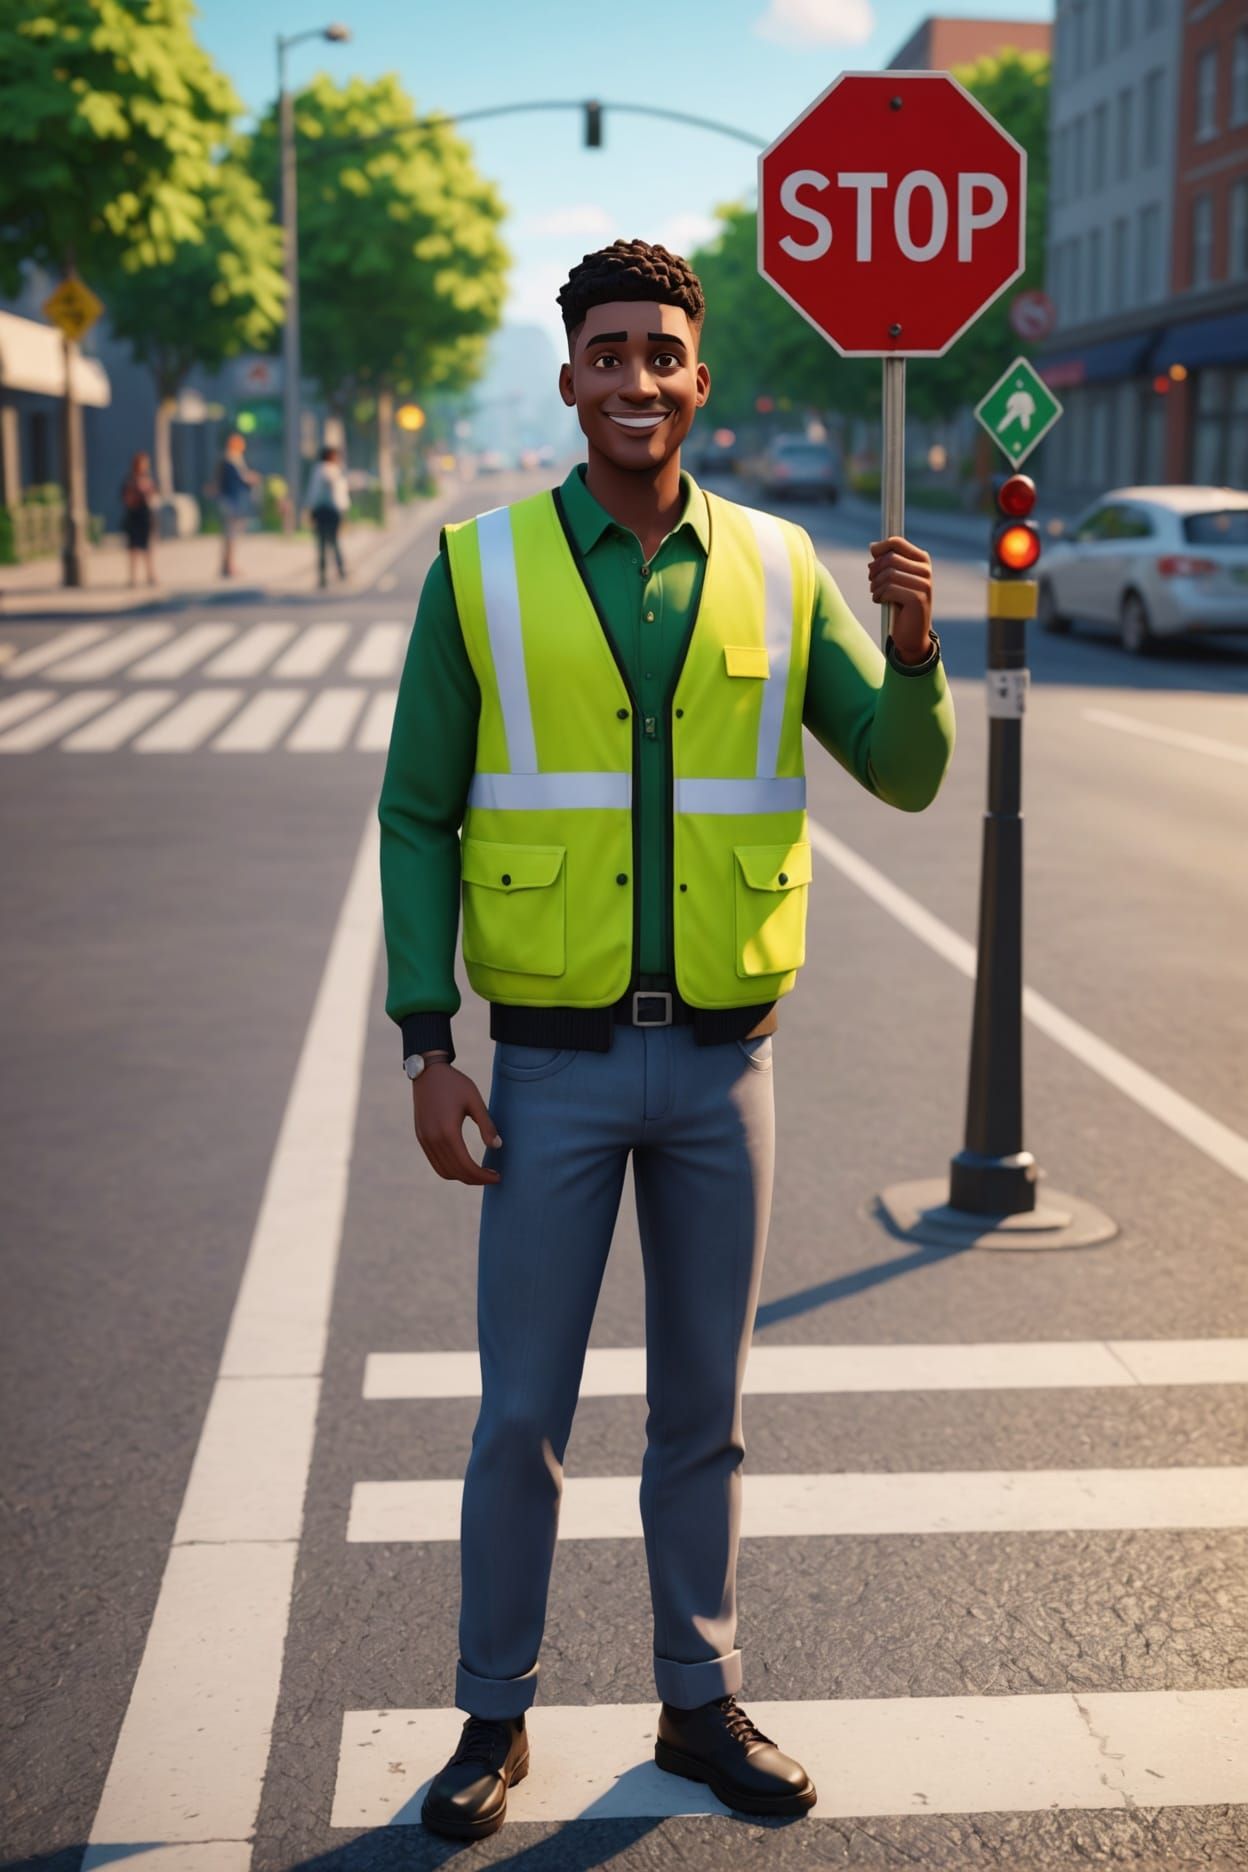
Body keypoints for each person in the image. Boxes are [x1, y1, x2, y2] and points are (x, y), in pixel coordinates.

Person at [378, 239, 956, 1841]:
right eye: (608, 351)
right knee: (521, 1418)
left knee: (708, 1408)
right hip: (550, 1071)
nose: (637, 376)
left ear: (704, 379)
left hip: (723, 1069)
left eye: (663, 353)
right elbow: (417, 814)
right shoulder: (477, 568)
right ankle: (492, 1720)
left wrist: (915, 655)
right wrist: (428, 1045)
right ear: (569, 378)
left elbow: (900, 773)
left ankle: (698, 1702)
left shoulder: (783, 564)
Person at [303, 444, 350, 586]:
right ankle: (340, 571)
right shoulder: (331, 471)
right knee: (333, 542)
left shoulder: (319, 470)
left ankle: (324, 576)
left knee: (322, 544)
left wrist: (310, 509)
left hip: (321, 511)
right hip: (331, 510)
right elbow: (338, 495)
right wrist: (344, 511)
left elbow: (313, 493)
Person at [216, 432, 258, 578]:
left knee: (230, 535)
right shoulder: (231, 460)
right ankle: (229, 565)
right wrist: (250, 479)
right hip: (231, 502)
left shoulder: (230, 460)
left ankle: (227, 564)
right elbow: (239, 480)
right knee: (231, 535)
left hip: (229, 500)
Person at [120, 451, 158, 587]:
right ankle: (133, 577)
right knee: (134, 548)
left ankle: (150, 574)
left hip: (146, 515)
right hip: (134, 515)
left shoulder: (148, 479)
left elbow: (153, 495)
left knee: (148, 547)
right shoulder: (130, 480)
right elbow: (126, 499)